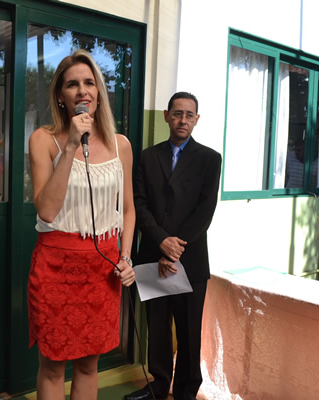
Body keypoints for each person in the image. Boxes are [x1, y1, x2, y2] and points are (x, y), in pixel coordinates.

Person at [27, 49, 136, 400]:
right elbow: (46, 210)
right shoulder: (42, 139)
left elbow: (128, 210)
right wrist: (72, 144)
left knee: (90, 366)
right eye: (72, 84)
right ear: (61, 96)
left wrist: (125, 257)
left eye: (89, 82)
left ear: (99, 92)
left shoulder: (121, 145)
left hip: (102, 270)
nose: (82, 90)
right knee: (53, 366)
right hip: (55, 267)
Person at [125, 92, 222, 400]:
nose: (183, 120)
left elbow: (204, 211)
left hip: (189, 260)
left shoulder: (210, 159)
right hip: (153, 255)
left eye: (189, 115)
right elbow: (139, 204)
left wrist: (175, 249)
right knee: (157, 328)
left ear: (196, 119)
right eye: (177, 113)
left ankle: (185, 391)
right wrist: (161, 241)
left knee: (189, 331)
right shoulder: (147, 157)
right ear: (167, 116)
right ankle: (158, 384)